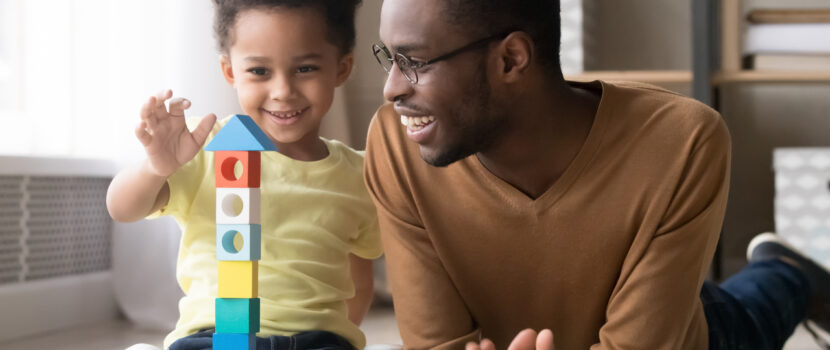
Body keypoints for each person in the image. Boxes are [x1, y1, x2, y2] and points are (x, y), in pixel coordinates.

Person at [362, 0, 830, 349]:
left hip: (670, 331)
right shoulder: (396, 143)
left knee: (753, 313)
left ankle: (786, 270)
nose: (391, 89)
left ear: (511, 59)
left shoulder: (681, 140)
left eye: (414, 62)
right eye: (389, 56)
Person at [107, 1, 382, 349]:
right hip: (213, 336)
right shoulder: (201, 147)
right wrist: (155, 168)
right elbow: (121, 208)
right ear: (230, 71)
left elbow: (360, 278)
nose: (283, 91)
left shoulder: (359, 174)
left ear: (342, 68)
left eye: (306, 68)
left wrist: (341, 334)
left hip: (315, 340)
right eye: (259, 72)